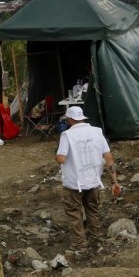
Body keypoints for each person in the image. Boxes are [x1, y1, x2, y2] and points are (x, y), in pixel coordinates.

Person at [54, 106, 119, 252]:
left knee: (74, 214)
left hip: (73, 183)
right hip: (93, 181)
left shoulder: (67, 135)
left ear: (70, 120)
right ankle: (95, 239)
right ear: (83, 118)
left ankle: (80, 245)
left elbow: (61, 159)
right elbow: (109, 158)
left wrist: (57, 155)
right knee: (92, 211)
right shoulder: (97, 132)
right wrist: (114, 181)